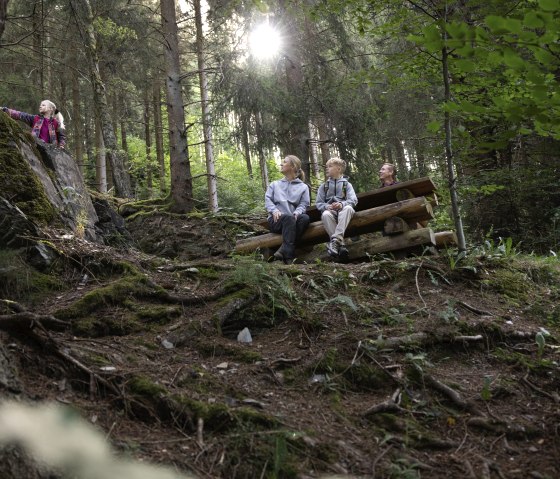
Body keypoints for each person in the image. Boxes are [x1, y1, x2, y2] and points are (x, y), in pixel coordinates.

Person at [265, 155, 310, 263]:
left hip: (292, 220)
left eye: (284, 162)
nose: (281, 164)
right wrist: (274, 210)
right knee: (288, 219)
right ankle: (289, 257)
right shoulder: (274, 184)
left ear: (293, 167)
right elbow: (268, 200)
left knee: (305, 218)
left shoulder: (303, 187)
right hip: (276, 220)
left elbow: (304, 204)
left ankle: (282, 250)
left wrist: (297, 212)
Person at [316, 157, 358, 261]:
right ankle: (341, 245)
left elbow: (353, 200)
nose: (327, 169)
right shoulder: (324, 186)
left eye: (330, 166)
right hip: (331, 212)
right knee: (325, 214)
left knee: (348, 208)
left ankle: (335, 241)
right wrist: (327, 206)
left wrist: (342, 204)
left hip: (344, 211)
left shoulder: (346, 185)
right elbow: (319, 203)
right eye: (327, 167)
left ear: (338, 169)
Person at [1, 100, 66, 148]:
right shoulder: (36, 118)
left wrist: (61, 145)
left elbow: (61, 136)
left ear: (50, 109)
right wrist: (5, 110)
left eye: (43, 105)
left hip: (51, 150)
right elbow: (21, 115)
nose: (40, 106)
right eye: (40, 105)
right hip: (36, 146)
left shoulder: (56, 123)